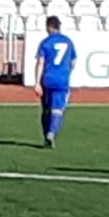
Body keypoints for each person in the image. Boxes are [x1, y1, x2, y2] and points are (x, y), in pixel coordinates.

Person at [33, 15, 75, 148]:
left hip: (47, 79)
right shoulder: (68, 42)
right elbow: (73, 62)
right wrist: (66, 73)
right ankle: (51, 133)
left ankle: (46, 136)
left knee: (46, 110)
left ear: (49, 27)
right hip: (62, 80)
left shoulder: (45, 42)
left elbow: (40, 63)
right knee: (58, 110)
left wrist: (37, 82)